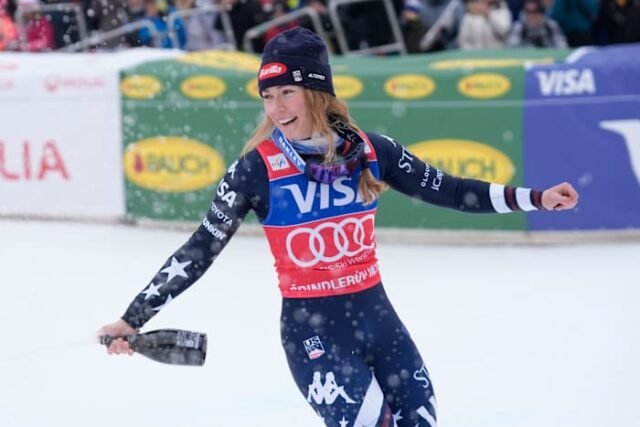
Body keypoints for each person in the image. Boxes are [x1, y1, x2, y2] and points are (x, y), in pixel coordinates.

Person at [99, 26, 579, 426]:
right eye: (268, 96)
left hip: (380, 321)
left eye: (287, 93)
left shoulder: (372, 151)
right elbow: (200, 248)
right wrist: (133, 318)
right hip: (314, 336)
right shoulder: (254, 170)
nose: (277, 108)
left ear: (317, 92)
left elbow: (450, 191)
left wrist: (535, 198)